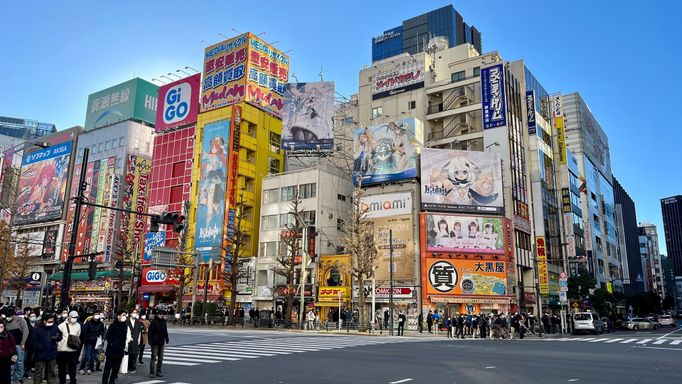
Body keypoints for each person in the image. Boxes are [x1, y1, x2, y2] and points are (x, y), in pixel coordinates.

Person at [32, 313, 61, 384]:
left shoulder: (55, 327)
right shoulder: (37, 329)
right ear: (44, 321)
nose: (51, 323)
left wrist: (57, 337)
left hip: (52, 353)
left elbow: (60, 336)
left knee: (51, 372)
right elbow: (33, 341)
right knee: (38, 373)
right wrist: (40, 347)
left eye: (52, 321)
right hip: (40, 354)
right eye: (49, 321)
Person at [102, 310, 128, 384]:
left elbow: (124, 338)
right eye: (123, 315)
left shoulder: (125, 326)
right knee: (108, 368)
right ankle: (104, 382)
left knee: (115, 369)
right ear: (118, 316)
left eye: (125, 315)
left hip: (120, 351)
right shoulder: (113, 325)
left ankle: (112, 381)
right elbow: (108, 337)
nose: (124, 317)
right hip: (111, 351)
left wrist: (123, 348)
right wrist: (113, 344)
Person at [3, 307, 28, 383]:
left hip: (19, 344)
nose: (9, 318)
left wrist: (23, 342)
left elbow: (26, 332)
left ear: (14, 315)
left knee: (20, 361)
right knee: (11, 362)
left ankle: (19, 377)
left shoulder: (20, 320)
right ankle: (11, 376)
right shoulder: (5, 322)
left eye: (10, 316)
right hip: (10, 345)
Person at [56, 311, 80, 384]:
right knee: (62, 368)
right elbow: (58, 338)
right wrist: (60, 345)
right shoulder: (61, 325)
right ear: (69, 317)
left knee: (72, 367)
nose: (74, 319)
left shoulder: (78, 325)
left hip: (73, 350)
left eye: (76, 317)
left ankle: (73, 381)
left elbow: (78, 335)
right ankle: (62, 381)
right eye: (73, 317)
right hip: (62, 350)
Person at [148, 309, 169, 378]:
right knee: (154, 357)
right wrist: (150, 340)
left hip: (161, 342)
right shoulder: (154, 322)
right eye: (160, 314)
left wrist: (166, 338)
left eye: (163, 314)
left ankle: (158, 371)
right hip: (155, 342)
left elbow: (165, 330)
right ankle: (152, 372)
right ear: (157, 315)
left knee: (161, 358)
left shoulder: (163, 322)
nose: (162, 315)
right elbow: (150, 332)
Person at [126, 309, 142, 373]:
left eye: (136, 312)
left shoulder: (138, 321)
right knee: (128, 353)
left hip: (135, 339)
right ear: (130, 313)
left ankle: (133, 366)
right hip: (128, 339)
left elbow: (139, 331)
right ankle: (128, 366)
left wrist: (139, 339)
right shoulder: (127, 321)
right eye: (133, 312)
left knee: (135, 353)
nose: (135, 314)